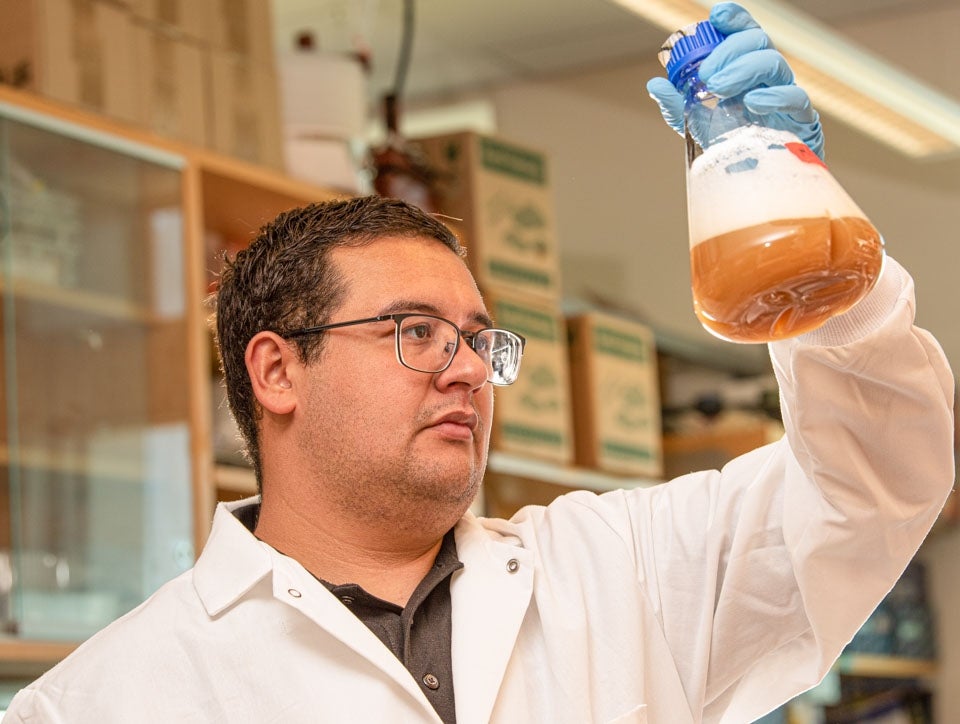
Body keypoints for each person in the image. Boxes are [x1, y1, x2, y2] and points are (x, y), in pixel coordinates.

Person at [5, 4, 954, 723]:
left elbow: (873, 482)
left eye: (475, 338)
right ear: (276, 372)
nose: (464, 369)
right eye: (416, 332)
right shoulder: (104, 700)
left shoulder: (619, 574)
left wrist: (803, 232)